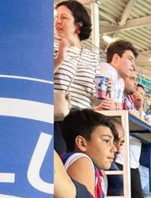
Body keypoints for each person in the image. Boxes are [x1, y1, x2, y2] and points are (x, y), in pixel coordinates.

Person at [53, 0, 98, 152]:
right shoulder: (50, 46)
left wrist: (104, 95)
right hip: (58, 118)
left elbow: (94, 95)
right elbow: (40, 78)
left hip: (82, 121)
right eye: (56, 17)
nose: (58, 21)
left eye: (63, 17)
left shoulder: (91, 58)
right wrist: (59, 58)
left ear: (78, 24)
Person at [61, 108, 116, 198]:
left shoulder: (97, 171)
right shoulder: (81, 160)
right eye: (106, 141)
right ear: (81, 143)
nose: (114, 149)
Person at [95, 40, 138, 110]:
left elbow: (119, 107)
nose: (134, 65)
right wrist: (116, 106)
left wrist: (116, 106)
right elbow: (105, 105)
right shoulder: (106, 69)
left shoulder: (121, 82)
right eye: (130, 59)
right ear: (116, 58)